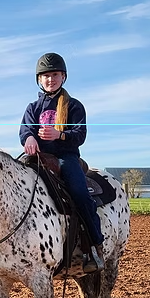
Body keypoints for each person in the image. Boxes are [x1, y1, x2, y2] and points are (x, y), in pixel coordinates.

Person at [20, 52, 104, 273]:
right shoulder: (33, 108)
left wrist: (60, 136)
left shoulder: (74, 106)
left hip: (65, 157)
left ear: (63, 77)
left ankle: (94, 246)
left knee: (79, 192)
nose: (50, 79)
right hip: (38, 158)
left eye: (55, 74)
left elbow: (80, 134)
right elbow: (25, 129)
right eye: (46, 75)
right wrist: (28, 138)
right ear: (39, 79)